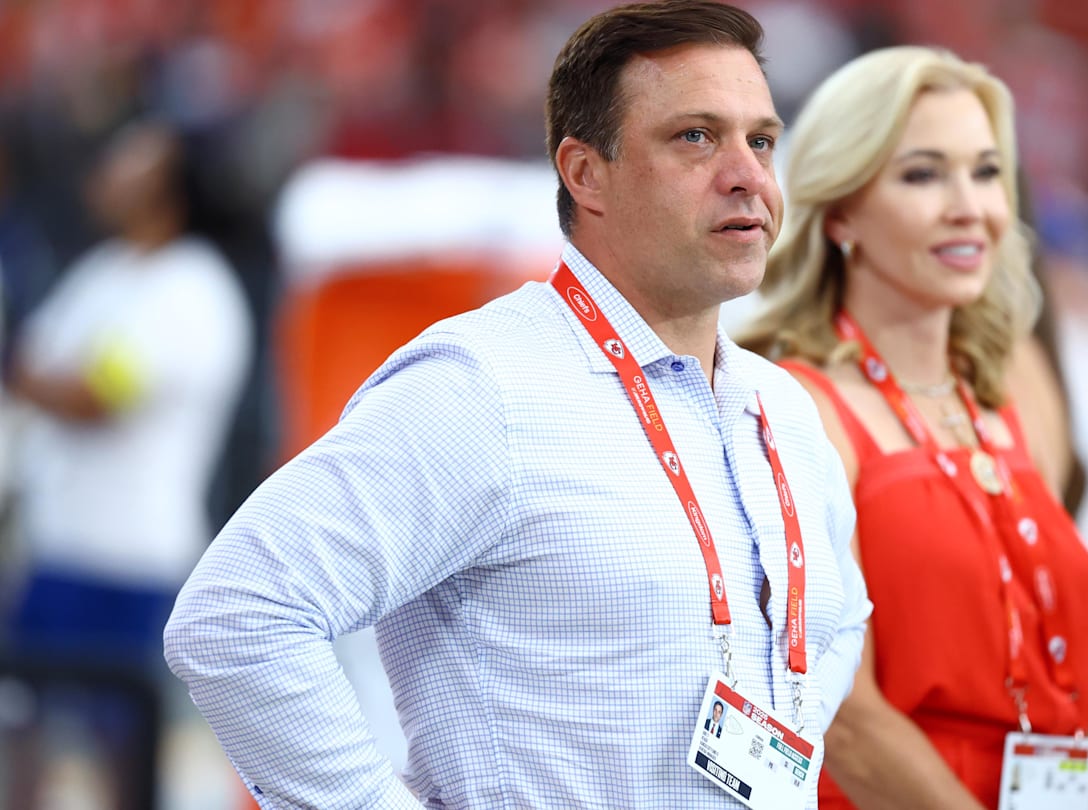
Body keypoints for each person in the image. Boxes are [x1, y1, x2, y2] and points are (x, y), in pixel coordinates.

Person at [164, 3, 870, 808]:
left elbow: (840, 619)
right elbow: (237, 615)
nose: (747, 173)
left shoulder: (781, 410)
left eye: (762, 140)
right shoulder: (484, 387)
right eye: (695, 138)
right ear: (584, 173)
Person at [740, 46, 1088, 810]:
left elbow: (1080, 680)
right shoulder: (796, 405)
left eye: (984, 171)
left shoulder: (1018, 387)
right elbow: (843, 712)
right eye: (922, 174)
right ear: (840, 212)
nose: (969, 205)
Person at [1, 120, 251, 810]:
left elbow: (99, 396)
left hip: (134, 565)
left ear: (170, 185)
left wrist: (30, 375)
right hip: (58, 552)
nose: (111, 167)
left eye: (134, 157)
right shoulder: (100, 273)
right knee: (24, 745)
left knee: (125, 760)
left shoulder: (192, 290)